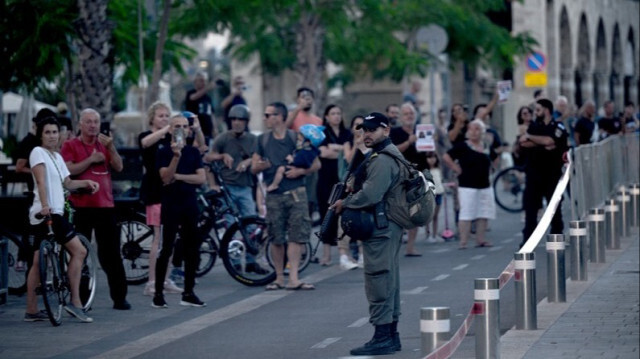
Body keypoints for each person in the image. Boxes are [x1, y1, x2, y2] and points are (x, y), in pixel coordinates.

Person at [332, 112, 403, 356]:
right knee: (388, 279)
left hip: (381, 228)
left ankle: (383, 336)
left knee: (379, 279)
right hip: (387, 226)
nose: (367, 134)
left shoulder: (383, 159)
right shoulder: (383, 154)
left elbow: (371, 195)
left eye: (373, 129)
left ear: (386, 130)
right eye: (365, 129)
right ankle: (390, 336)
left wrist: (346, 202)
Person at [25, 117, 99, 323]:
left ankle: (31, 310)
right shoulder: (38, 152)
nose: (52, 136)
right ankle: (75, 303)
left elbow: (67, 182)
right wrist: (46, 205)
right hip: (48, 212)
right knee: (80, 251)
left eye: (54, 132)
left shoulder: (56, 157)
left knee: (38, 261)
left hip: (53, 212)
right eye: (47, 132)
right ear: (41, 135)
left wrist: (86, 182)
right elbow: (40, 181)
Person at [61, 108, 131, 310]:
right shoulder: (70, 145)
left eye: (96, 122)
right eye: (88, 122)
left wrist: (112, 148)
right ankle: (81, 298)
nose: (93, 125)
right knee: (80, 252)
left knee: (110, 255)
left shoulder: (104, 144)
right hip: (81, 206)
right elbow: (67, 170)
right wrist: (91, 160)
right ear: (80, 125)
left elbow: (118, 167)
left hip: (105, 206)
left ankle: (120, 298)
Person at [252, 102, 320, 291]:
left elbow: (316, 164)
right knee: (276, 237)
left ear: (280, 117)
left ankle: (294, 278)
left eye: (269, 114)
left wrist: (299, 171)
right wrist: (261, 166)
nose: (265, 118)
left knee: (297, 236)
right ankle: (279, 277)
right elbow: (254, 166)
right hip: (273, 195)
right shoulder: (262, 140)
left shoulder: (295, 137)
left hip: (296, 193)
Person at [152, 114, 207, 308]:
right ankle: (158, 293)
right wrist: (176, 158)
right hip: (171, 204)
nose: (182, 130)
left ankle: (189, 292)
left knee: (192, 248)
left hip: (189, 203)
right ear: (170, 129)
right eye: (177, 126)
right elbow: (165, 178)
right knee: (167, 247)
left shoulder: (193, 152)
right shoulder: (163, 151)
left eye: (185, 126)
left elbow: (201, 179)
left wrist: (179, 176)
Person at [138, 102, 183, 296]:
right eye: (161, 116)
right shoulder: (148, 136)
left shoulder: (170, 139)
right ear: (152, 118)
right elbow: (145, 143)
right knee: (158, 236)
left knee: (170, 237)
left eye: (167, 116)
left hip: (171, 190)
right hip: (154, 190)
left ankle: (165, 278)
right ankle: (151, 282)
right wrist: (167, 128)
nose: (164, 119)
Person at [518, 99, 568, 248]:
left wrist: (532, 138)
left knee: (554, 208)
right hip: (534, 174)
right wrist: (539, 141)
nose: (536, 112)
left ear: (546, 110)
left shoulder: (558, 126)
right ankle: (528, 240)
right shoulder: (534, 126)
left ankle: (557, 237)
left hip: (551, 174)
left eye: (538, 109)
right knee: (531, 209)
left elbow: (549, 140)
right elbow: (523, 142)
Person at [443, 119, 496, 249]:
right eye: (471, 129)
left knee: (483, 212)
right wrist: (456, 168)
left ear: (482, 131)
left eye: (477, 129)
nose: (474, 132)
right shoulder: (463, 146)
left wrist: (492, 168)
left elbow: (495, 157)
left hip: (485, 184)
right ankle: (463, 241)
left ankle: (480, 239)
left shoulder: (486, 146)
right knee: (466, 213)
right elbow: (446, 157)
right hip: (467, 185)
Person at [205, 104, 258, 217]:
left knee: (251, 221)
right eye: (233, 119)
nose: (236, 122)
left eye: (240, 119)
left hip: (245, 186)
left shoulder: (253, 139)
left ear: (246, 122)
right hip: (227, 186)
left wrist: (248, 161)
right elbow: (208, 158)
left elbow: (260, 157)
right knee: (230, 223)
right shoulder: (223, 138)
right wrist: (222, 156)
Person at [316, 105, 351, 266]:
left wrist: (336, 149)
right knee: (326, 214)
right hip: (325, 179)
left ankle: (345, 253)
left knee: (343, 215)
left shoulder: (347, 133)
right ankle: (326, 254)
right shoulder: (322, 133)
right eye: (333, 113)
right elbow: (322, 152)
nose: (336, 116)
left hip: (342, 180)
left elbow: (350, 155)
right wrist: (342, 150)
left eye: (338, 113)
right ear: (327, 116)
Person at [390, 103, 426, 256]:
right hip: (400, 177)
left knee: (415, 212)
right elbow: (393, 151)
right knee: (400, 213)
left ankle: (410, 247)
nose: (409, 116)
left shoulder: (422, 131)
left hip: (418, 175)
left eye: (411, 113)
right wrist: (409, 142)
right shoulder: (395, 132)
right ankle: (396, 245)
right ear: (400, 117)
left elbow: (427, 152)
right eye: (406, 114)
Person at [339, 115, 368, 270]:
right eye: (356, 125)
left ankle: (363, 255)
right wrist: (357, 144)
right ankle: (344, 255)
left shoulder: (369, 145)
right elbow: (350, 160)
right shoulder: (348, 144)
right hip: (348, 186)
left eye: (362, 126)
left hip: (363, 186)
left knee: (362, 219)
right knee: (344, 220)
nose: (359, 129)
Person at [185, 71, 216, 142]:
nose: (204, 83)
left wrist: (214, 128)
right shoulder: (190, 93)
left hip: (207, 131)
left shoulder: (207, 98)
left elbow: (211, 114)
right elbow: (193, 98)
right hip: (194, 130)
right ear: (195, 81)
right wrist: (208, 88)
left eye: (205, 81)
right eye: (201, 80)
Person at [425, 152, 445, 243]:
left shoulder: (438, 169)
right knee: (429, 216)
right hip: (429, 194)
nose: (432, 159)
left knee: (435, 216)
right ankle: (428, 234)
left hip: (439, 193)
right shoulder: (425, 170)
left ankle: (435, 234)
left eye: (433, 157)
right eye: (429, 157)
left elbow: (440, 181)